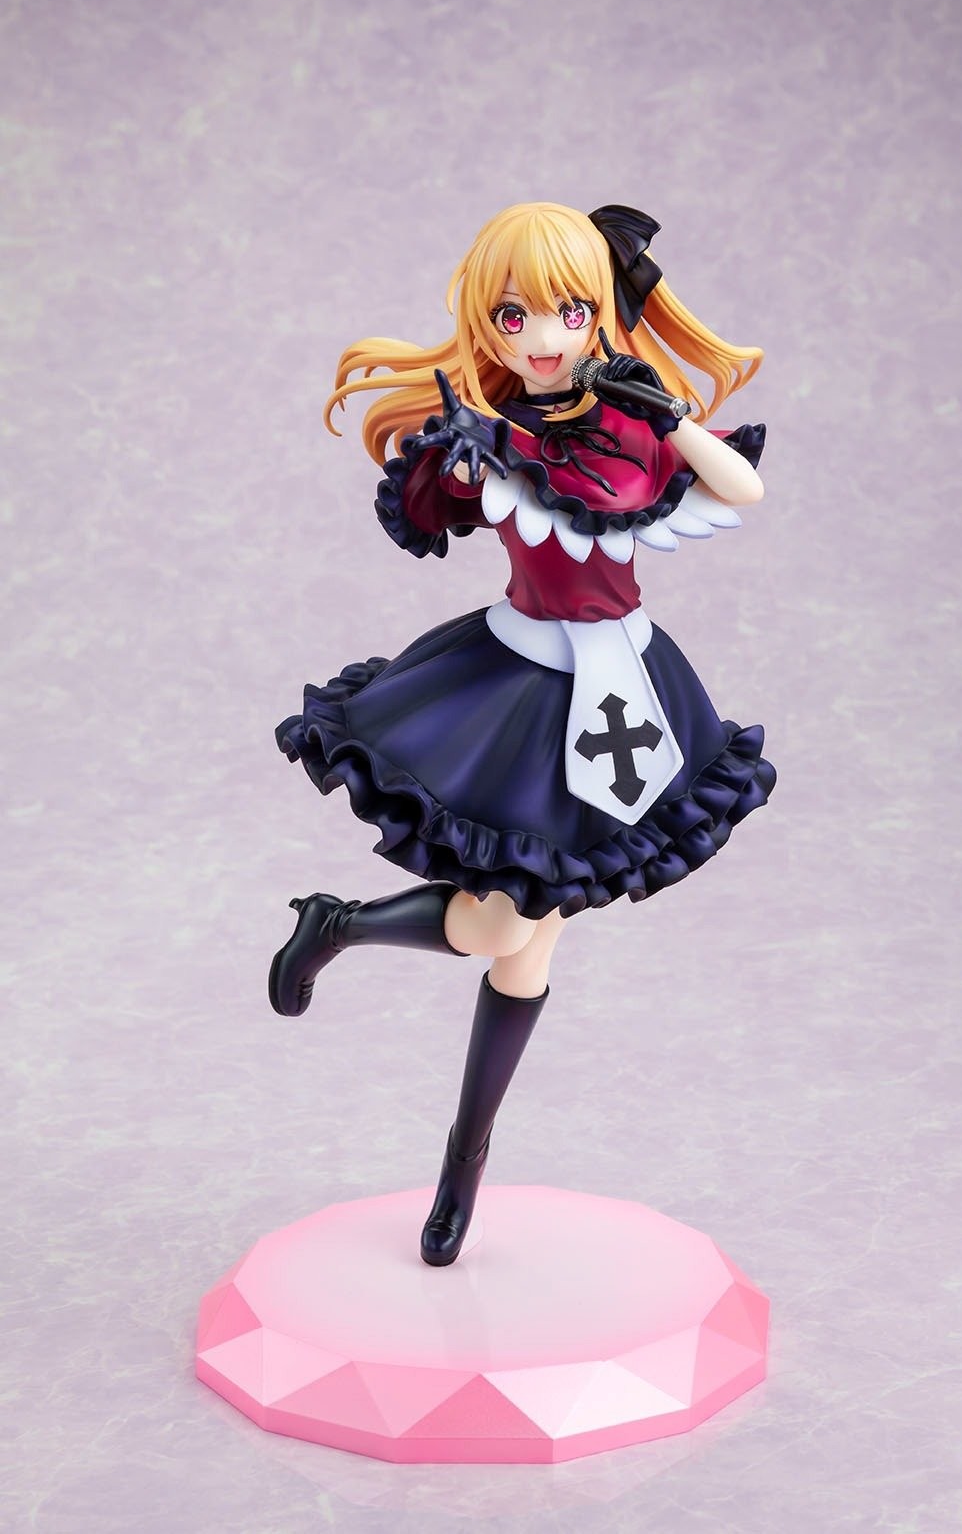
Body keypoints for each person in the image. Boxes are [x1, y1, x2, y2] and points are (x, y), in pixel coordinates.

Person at [269, 201, 776, 1267]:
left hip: (628, 684)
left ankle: (460, 1174)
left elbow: (741, 485)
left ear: (599, 313)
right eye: (513, 315)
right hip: (524, 689)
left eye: (568, 311)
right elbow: (437, 501)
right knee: (506, 929)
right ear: (486, 323)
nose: (542, 337)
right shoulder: (494, 435)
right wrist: (467, 456)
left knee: (528, 949)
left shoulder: (628, 421)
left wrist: (668, 413)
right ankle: (340, 925)